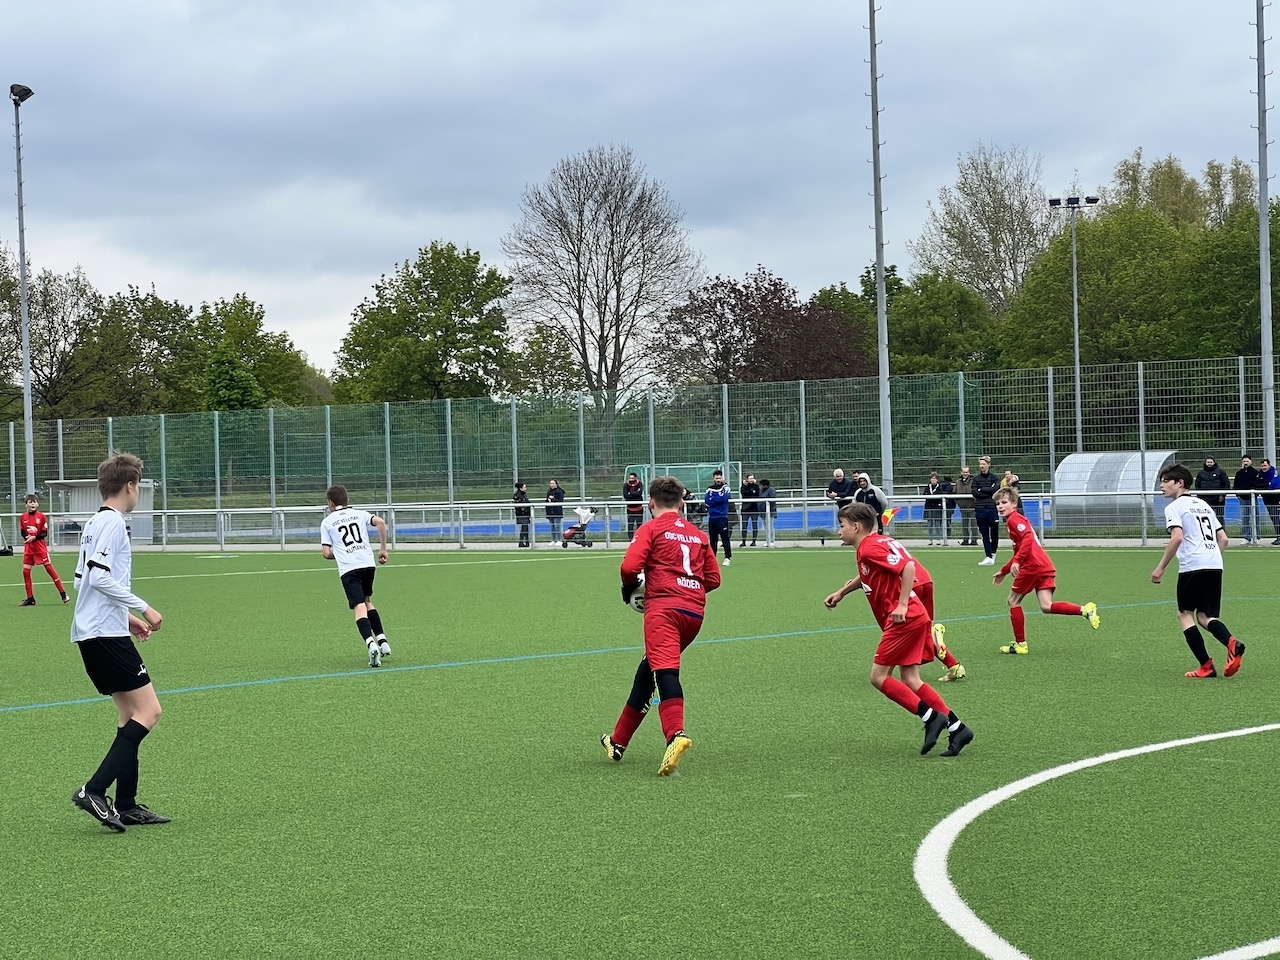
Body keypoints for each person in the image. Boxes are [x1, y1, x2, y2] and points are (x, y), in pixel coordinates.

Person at [822, 503, 973, 757]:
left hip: (904, 619)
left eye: (842, 525)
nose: (839, 530)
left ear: (856, 526)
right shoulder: (873, 545)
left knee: (878, 677)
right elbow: (868, 574)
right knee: (911, 679)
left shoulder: (869, 547)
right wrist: (842, 592)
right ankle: (958, 728)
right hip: (914, 616)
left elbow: (908, 567)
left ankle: (930, 717)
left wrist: (902, 604)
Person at [70, 452, 168, 832]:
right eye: (138, 484)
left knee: (129, 717)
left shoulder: (93, 522)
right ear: (130, 485)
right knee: (150, 712)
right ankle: (94, 790)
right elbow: (97, 578)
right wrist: (143, 607)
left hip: (95, 632)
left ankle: (126, 804)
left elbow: (82, 581)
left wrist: (126, 619)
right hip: (104, 636)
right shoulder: (112, 522)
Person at [602, 475, 721, 776]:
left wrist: (630, 588)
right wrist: (687, 590)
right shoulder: (697, 534)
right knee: (647, 672)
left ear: (650, 502)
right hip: (693, 615)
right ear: (681, 502)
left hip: (663, 612)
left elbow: (630, 567)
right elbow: (714, 579)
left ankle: (675, 735)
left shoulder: (651, 528)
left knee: (665, 671)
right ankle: (617, 741)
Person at [1151, 463, 1246, 679]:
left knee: (1184, 614)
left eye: (1165, 481)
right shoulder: (1204, 505)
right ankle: (1231, 643)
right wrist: (1211, 557)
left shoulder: (1174, 507)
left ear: (1179, 483)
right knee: (1205, 616)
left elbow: (1177, 537)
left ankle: (1206, 666)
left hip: (1193, 565)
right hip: (1214, 563)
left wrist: (1160, 567)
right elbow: (1224, 539)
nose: (1162, 486)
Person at [992, 488, 1100, 655]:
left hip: (1032, 567)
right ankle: (1084, 610)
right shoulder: (1016, 520)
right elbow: (1020, 549)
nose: (1000, 506)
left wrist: (1018, 561)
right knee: (1046, 606)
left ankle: (1021, 645)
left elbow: (1028, 538)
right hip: (1044, 566)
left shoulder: (1014, 520)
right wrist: (1004, 571)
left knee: (1013, 601)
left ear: (1014, 504)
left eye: (1004, 502)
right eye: (998, 503)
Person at [320, 484, 391, 668]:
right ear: (348, 500)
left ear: (330, 503)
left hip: (349, 568)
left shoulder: (327, 522)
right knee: (367, 601)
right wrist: (383, 549)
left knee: (359, 606)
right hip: (368, 564)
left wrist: (340, 553)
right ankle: (382, 640)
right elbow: (380, 522)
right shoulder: (359, 514)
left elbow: (326, 553)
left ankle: (371, 644)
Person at [18, 493, 68, 605]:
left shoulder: (41, 517)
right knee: (25, 571)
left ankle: (63, 594)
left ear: (37, 504)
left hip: (40, 548)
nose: (32, 504)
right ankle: (30, 598)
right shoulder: (23, 517)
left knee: (49, 569)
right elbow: (22, 532)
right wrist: (26, 538)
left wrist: (34, 538)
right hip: (29, 549)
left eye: (34, 502)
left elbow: (44, 533)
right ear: (26, 505)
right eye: (30, 502)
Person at [973, 456, 1000, 565]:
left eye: (984, 464)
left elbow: (995, 490)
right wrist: (988, 491)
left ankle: (993, 553)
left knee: (994, 533)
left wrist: (982, 489)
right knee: (984, 534)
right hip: (980, 509)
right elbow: (975, 493)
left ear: (988, 465)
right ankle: (988, 556)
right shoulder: (975, 479)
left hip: (992, 508)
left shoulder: (994, 478)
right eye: (980, 464)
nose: (982, 466)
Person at [704, 470, 732, 565]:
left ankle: (727, 557)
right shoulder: (710, 489)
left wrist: (714, 499)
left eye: (720, 478)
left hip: (722, 517)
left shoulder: (726, 488)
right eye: (717, 478)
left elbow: (724, 498)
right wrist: (717, 499)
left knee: (725, 539)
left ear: (722, 478)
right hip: (712, 517)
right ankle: (713, 559)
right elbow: (707, 500)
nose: (718, 480)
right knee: (713, 540)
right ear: (714, 478)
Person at [1233, 456, 1260, 544]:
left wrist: (1255, 494)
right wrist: (1238, 494)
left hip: (1253, 498)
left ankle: (1256, 537)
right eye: (1244, 461)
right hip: (1243, 499)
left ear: (1251, 461)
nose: (1245, 463)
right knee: (1245, 518)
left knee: (1255, 517)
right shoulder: (1239, 473)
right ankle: (1246, 537)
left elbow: (1258, 485)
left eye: (1247, 461)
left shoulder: (1256, 473)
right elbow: (1236, 485)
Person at [1194, 456, 1230, 523]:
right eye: (1208, 462)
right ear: (1205, 463)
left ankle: (1221, 529)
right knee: (1206, 517)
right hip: (1205, 499)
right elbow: (1197, 485)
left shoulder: (1221, 472)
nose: (1209, 464)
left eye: (1211, 462)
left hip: (1218, 499)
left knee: (1219, 517)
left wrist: (1223, 495)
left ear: (1214, 463)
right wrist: (1200, 496)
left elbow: (1226, 484)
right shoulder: (1201, 473)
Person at [1259, 458, 1280, 545]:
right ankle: (1278, 537)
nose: (1263, 467)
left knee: (1277, 518)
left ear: (1269, 465)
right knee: (1274, 518)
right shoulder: (1260, 473)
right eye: (1262, 466)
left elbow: (1274, 485)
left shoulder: (1274, 472)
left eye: (1265, 465)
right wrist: (1265, 485)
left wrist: (1264, 486)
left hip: (1276, 498)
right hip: (1267, 499)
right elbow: (1256, 484)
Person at [955, 465, 977, 546]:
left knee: (974, 524)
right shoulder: (958, 482)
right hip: (963, 507)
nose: (965, 473)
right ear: (961, 472)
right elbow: (955, 493)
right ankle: (965, 540)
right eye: (964, 472)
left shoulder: (973, 481)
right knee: (964, 525)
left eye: (966, 472)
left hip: (973, 507)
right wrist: (959, 503)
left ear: (969, 472)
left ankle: (974, 540)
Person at [739, 473, 761, 547]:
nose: (751, 480)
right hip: (745, 509)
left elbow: (757, 494)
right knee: (744, 526)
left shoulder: (756, 486)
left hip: (754, 509)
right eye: (750, 478)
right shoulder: (743, 486)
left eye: (752, 478)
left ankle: (754, 541)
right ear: (747, 479)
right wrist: (750, 490)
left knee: (754, 525)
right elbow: (744, 493)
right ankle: (743, 541)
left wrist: (751, 492)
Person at [923, 473, 945, 545]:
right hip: (928, 507)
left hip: (936, 508)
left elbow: (938, 497)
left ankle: (938, 539)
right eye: (932, 478)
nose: (933, 480)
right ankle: (930, 539)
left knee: (937, 524)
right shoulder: (927, 487)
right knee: (930, 524)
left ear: (937, 480)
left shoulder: (940, 488)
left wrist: (932, 498)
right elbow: (925, 495)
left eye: (934, 478)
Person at [623, 472, 646, 541]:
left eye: (632, 478)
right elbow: (625, 495)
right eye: (630, 478)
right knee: (630, 525)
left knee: (639, 525)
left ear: (635, 478)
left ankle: (639, 539)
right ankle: (631, 540)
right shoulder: (626, 485)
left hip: (639, 509)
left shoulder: (639, 484)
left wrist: (630, 493)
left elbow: (639, 493)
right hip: (630, 509)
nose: (631, 480)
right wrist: (635, 494)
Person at [544, 479, 565, 543]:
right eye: (550, 483)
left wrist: (553, 499)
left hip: (557, 511)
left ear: (556, 484)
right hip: (550, 511)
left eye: (553, 483)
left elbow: (560, 501)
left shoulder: (559, 491)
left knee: (557, 525)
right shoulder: (549, 491)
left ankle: (559, 540)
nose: (551, 485)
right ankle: (554, 540)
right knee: (552, 526)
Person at [513, 482, 532, 548]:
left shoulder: (523, 494)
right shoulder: (518, 495)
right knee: (524, 528)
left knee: (525, 528)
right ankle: (522, 542)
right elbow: (521, 503)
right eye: (524, 487)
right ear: (521, 488)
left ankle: (526, 541)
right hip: (522, 513)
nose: (526, 488)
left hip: (525, 513)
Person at [760, 478, 778, 546]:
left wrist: (768, 507)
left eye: (761, 485)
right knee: (766, 527)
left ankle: (772, 540)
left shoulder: (771, 489)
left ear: (764, 485)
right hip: (763, 511)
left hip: (770, 511)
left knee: (770, 526)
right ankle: (768, 540)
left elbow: (772, 499)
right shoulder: (761, 491)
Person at [939, 474, 956, 542]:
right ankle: (948, 535)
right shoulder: (950, 487)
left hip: (939, 506)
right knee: (948, 521)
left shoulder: (939, 485)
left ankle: (940, 535)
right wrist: (953, 507)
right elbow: (953, 498)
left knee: (940, 521)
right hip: (949, 506)